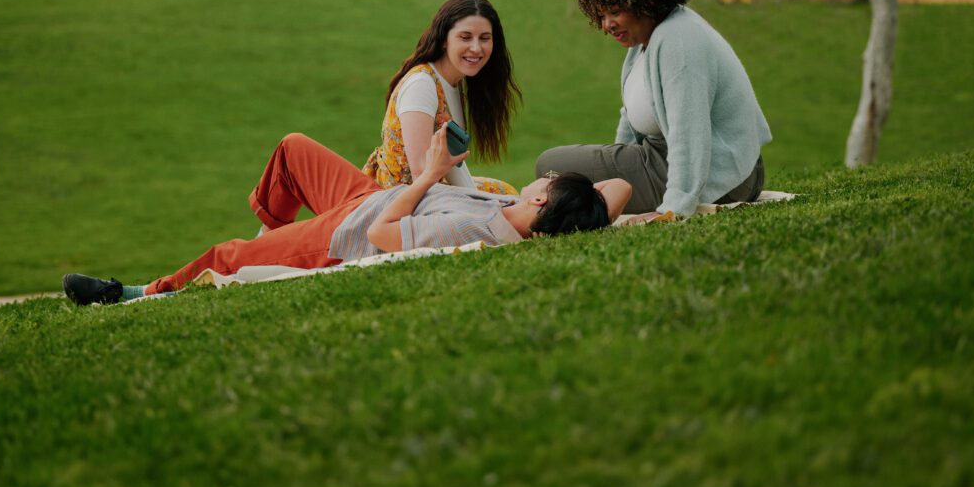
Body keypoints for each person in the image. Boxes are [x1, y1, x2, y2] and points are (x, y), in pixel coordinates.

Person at [63, 125, 632, 306]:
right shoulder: (525, 214)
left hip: (348, 232)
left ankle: (134, 295)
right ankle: (276, 239)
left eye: (548, 183)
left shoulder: (475, 229)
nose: (543, 177)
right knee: (293, 149)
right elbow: (618, 186)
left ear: (540, 201)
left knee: (226, 258)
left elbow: (386, 237)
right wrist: (573, 215)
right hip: (366, 195)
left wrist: (431, 174)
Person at [535, 0, 771, 221]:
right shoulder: (646, 43)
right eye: (600, 15)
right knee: (553, 172)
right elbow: (629, 120)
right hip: (659, 159)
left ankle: (578, 218)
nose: (607, 25)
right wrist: (613, 172)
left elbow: (690, 131)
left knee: (551, 168)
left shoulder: (679, 41)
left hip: (723, 177)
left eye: (614, 11)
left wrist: (673, 208)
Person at [364, 0, 521, 196]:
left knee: (508, 195)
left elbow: (452, 166)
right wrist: (480, 205)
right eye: (465, 37)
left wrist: (482, 199)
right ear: (444, 39)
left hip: (434, 191)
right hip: (402, 200)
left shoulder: (455, 85)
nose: (476, 48)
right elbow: (421, 174)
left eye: (484, 38)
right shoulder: (422, 84)